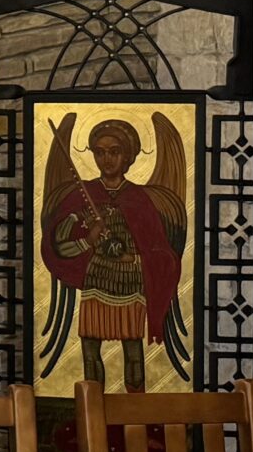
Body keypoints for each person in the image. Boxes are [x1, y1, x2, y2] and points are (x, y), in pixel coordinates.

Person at [38, 114, 189, 396]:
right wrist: (87, 237)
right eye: (99, 152)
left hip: (130, 285)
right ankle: (92, 411)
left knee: (133, 354)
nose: (106, 159)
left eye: (114, 152)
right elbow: (58, 244)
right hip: (96, 283)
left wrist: (134, 260)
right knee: (90, 353)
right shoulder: (84, 194)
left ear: (128, 156)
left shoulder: (141, 200)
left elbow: (161, 252)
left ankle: (136, 414)